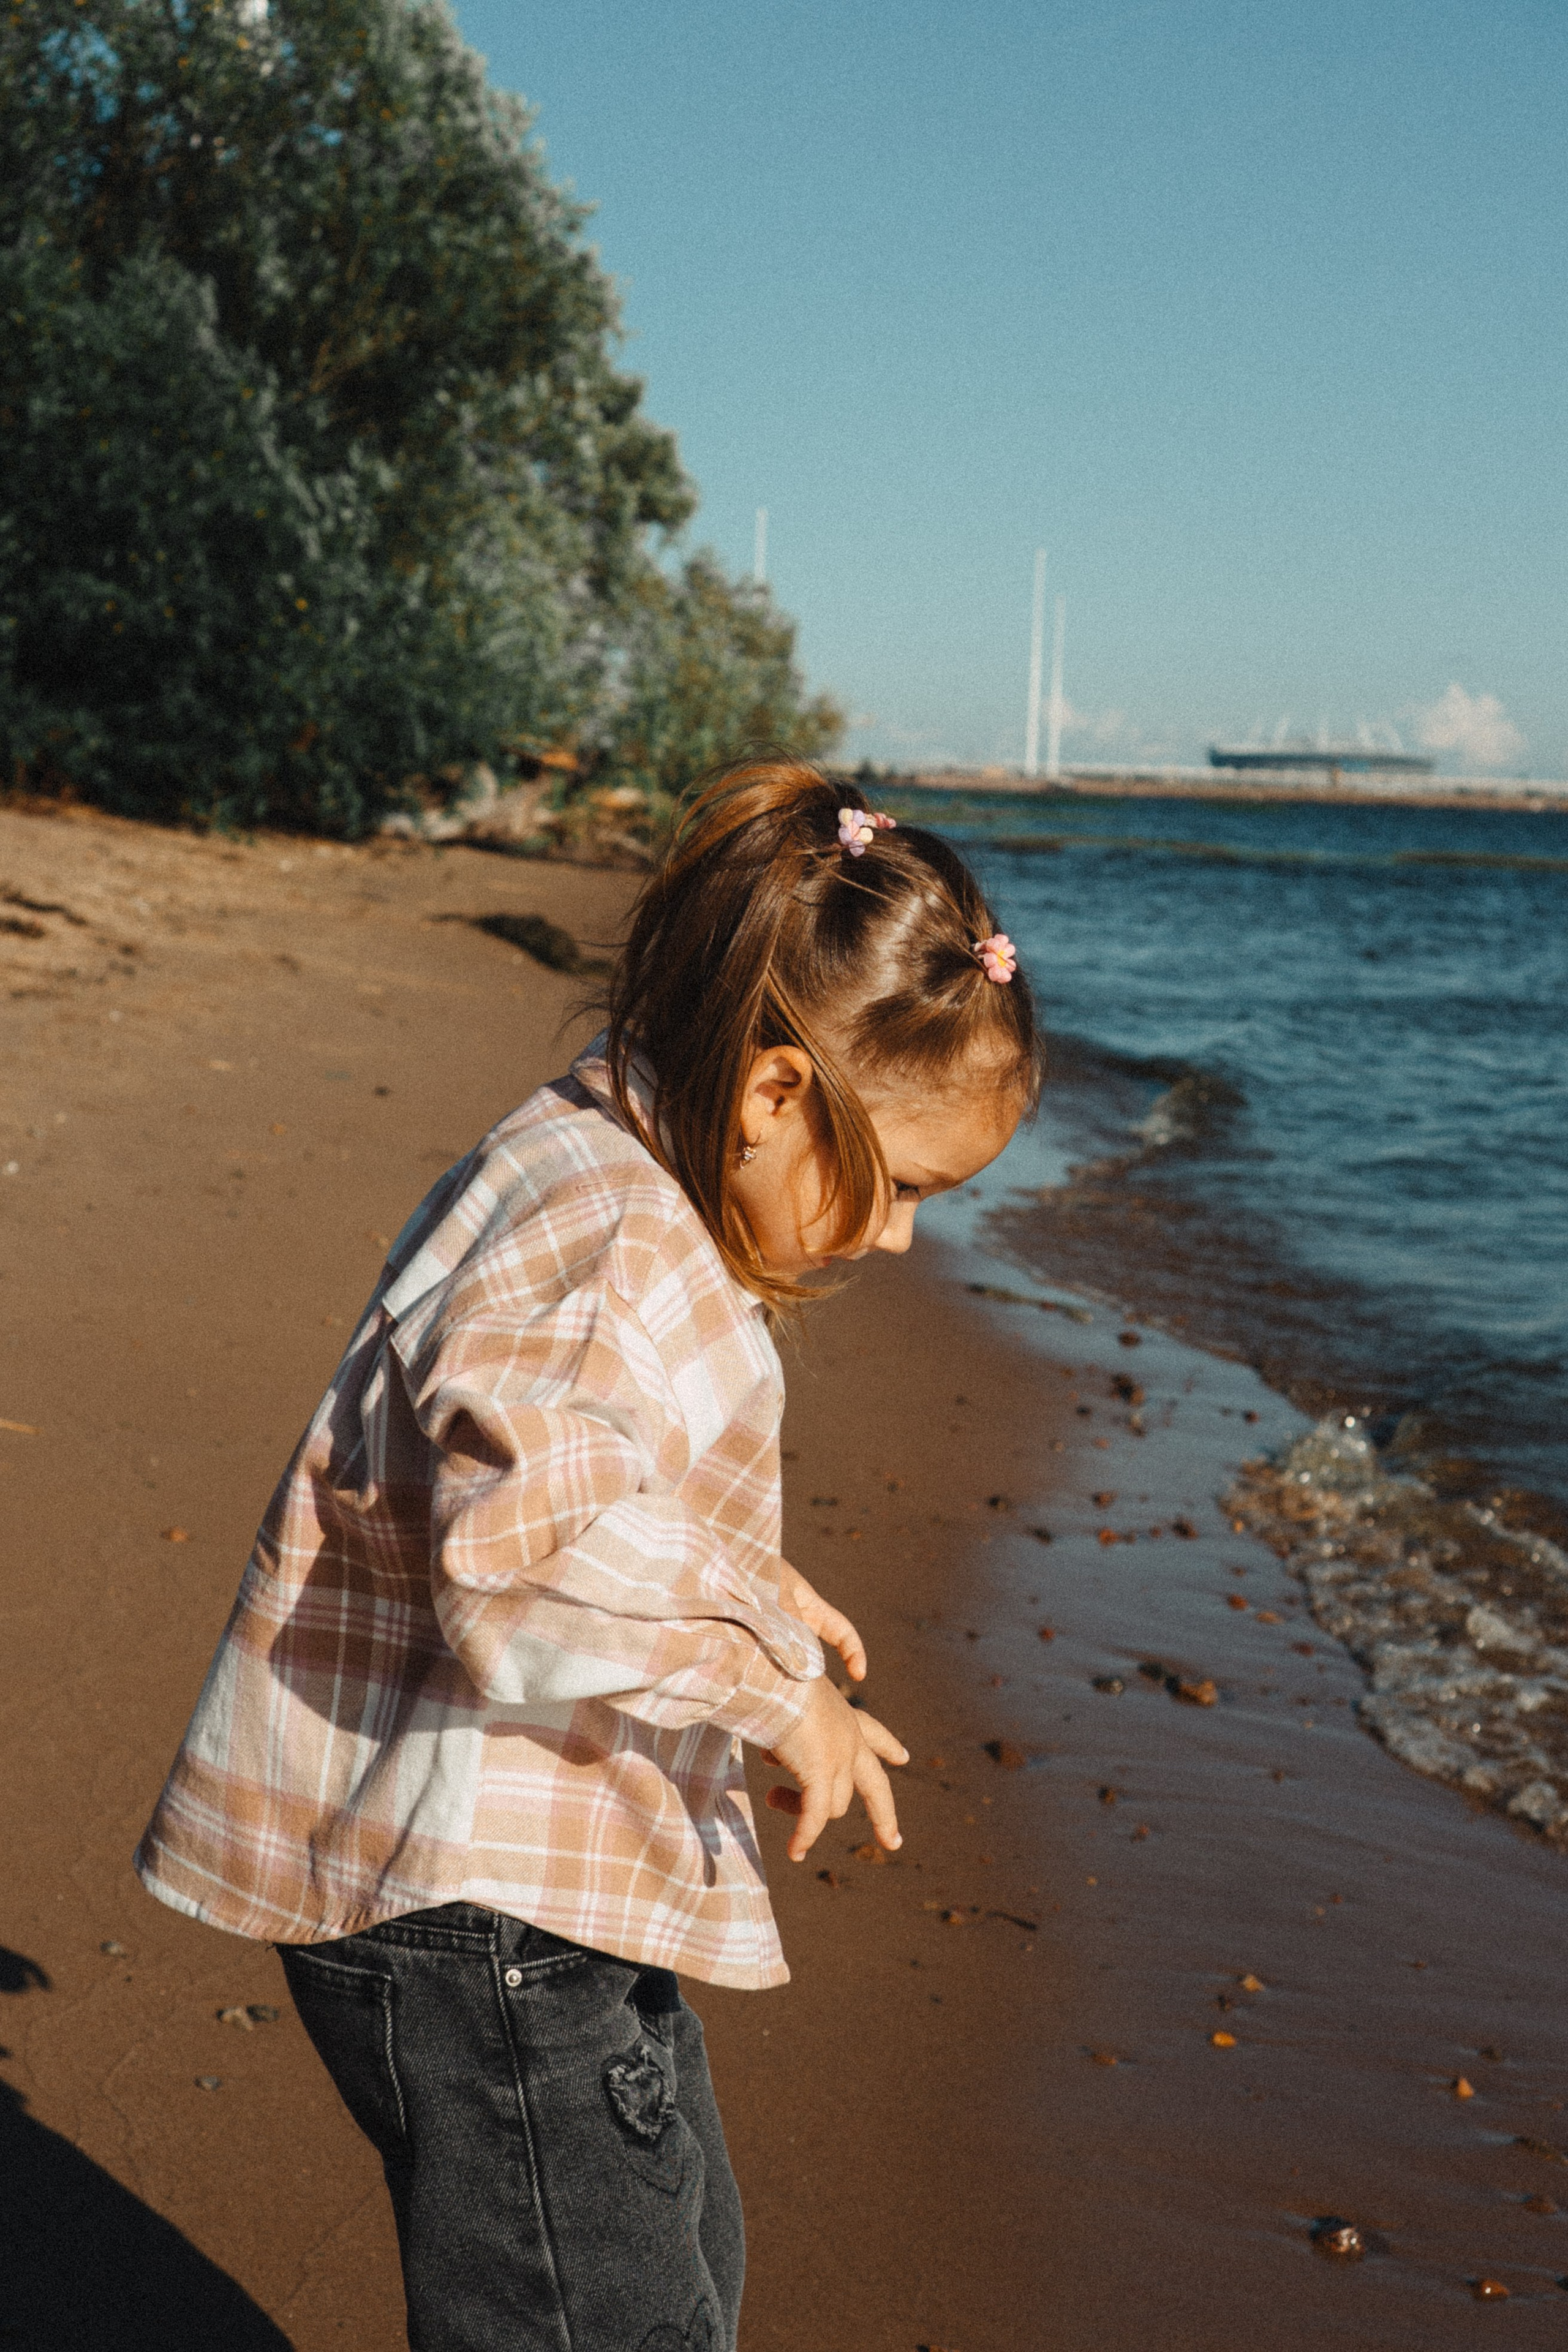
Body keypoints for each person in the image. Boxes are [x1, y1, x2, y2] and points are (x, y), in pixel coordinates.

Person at [135, 761, 1041, 2352]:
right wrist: (772, 1690)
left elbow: (581, 1480)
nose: (901, 1236)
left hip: (516, 1888)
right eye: (902, 1185)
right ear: (775, 1095)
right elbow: (526, 1558)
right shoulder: (609, 1230)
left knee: (678, 2255)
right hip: (474, 1909)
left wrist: (756, 1594)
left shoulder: (615, 1164)